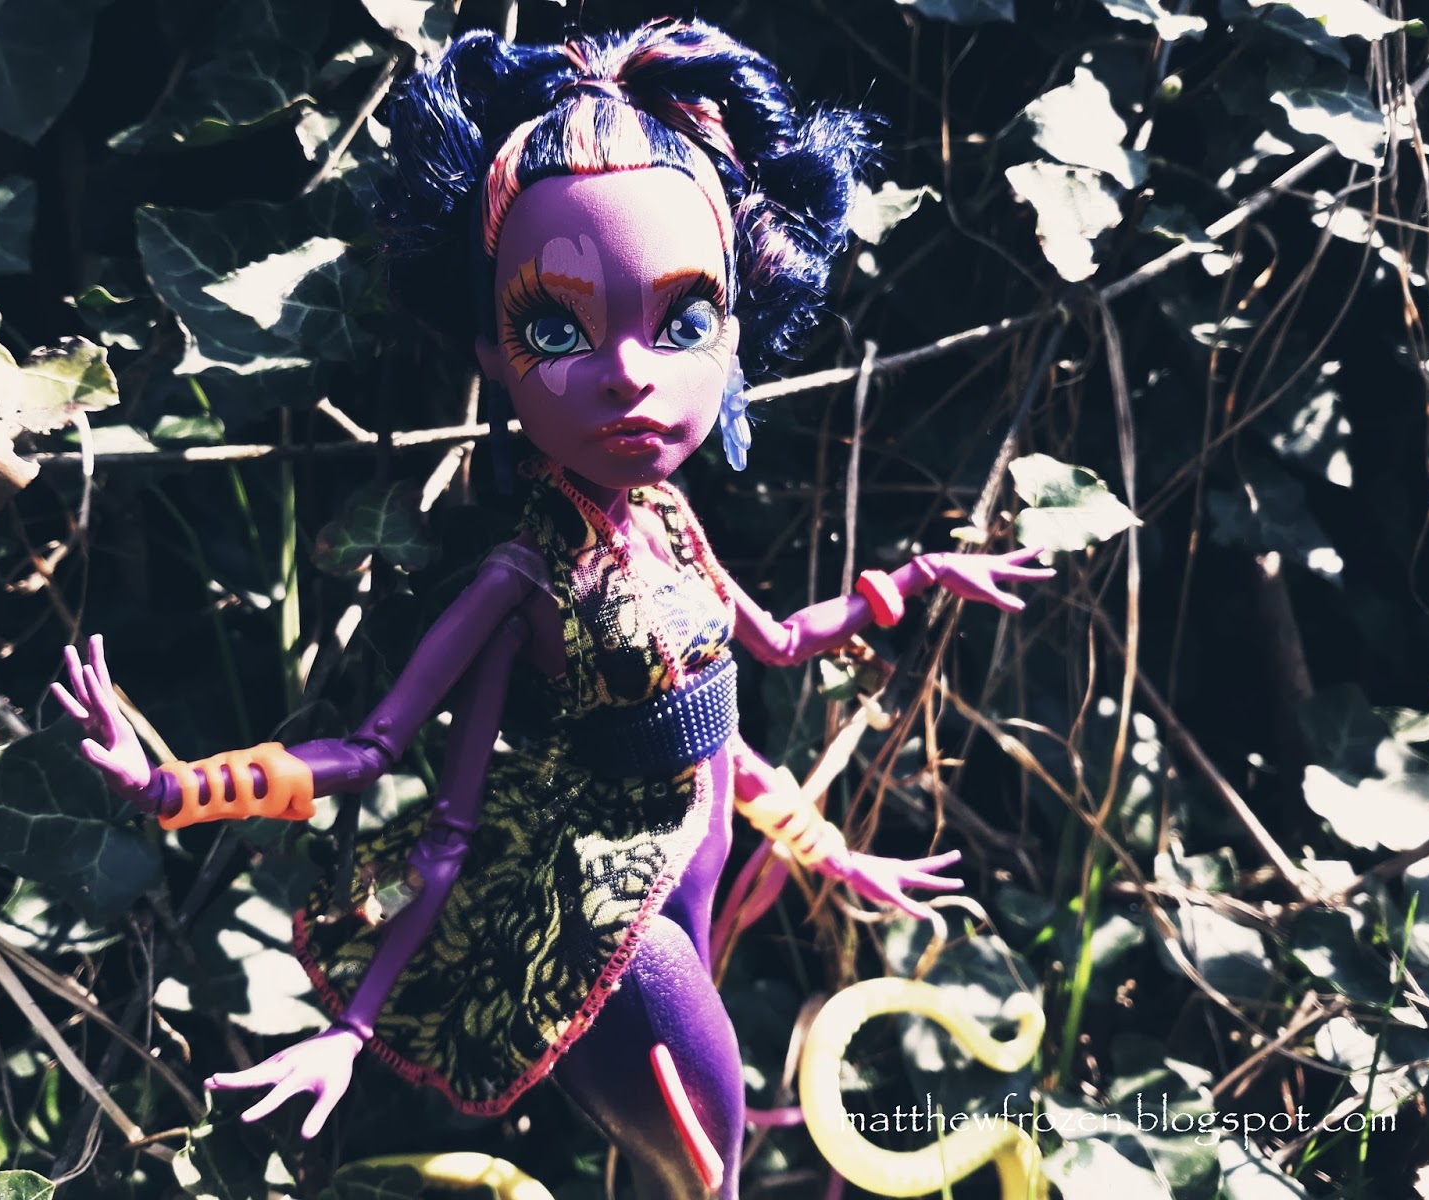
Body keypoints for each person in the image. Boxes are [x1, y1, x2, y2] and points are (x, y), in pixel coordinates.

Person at [54, 19, 1051, 1198]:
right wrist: (180, 794)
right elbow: (404, 781)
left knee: (698, 1158)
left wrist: (913, 591)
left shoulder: (669, 519)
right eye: (556, 330)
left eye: (684, 322)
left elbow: (767, 658)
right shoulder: (522, 576)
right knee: (707, 1171)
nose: (628, 371)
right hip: (611, 924)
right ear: (492, 352)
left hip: (698, 866)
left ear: (738, 325)